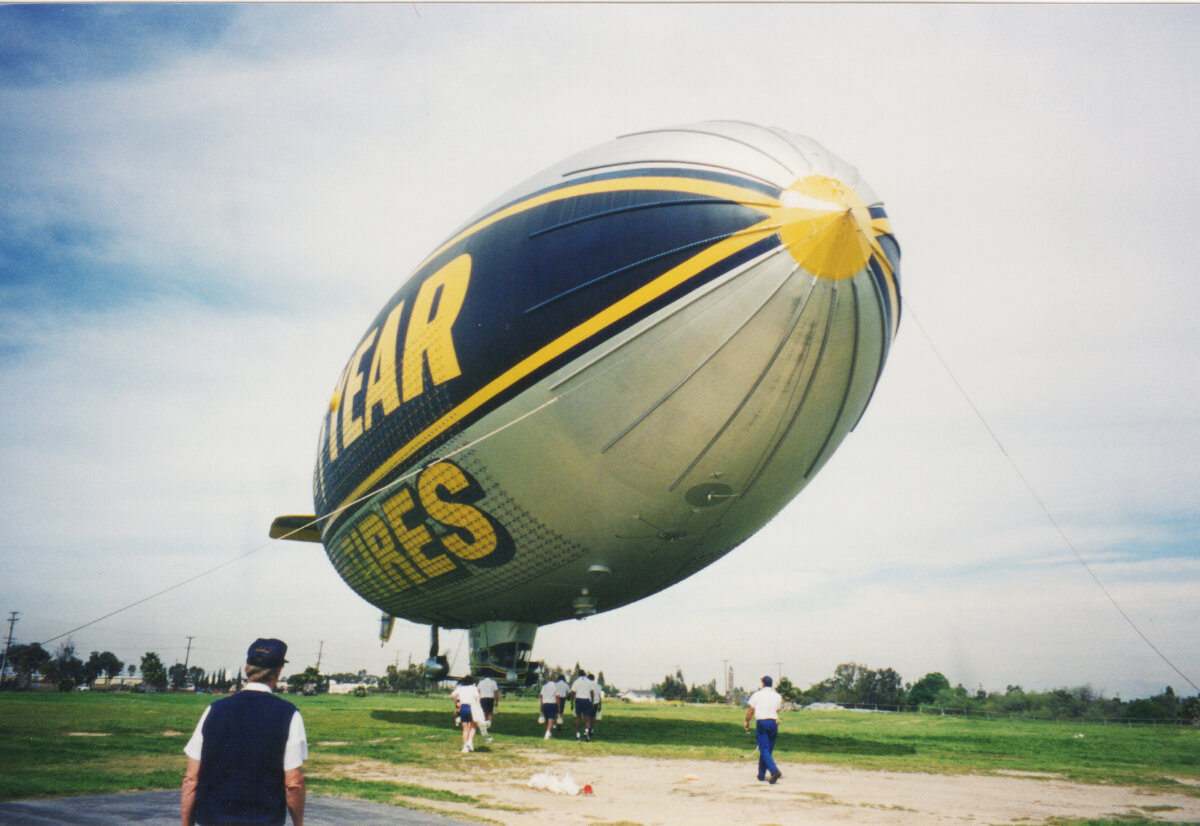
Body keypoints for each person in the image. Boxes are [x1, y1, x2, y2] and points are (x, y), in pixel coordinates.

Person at [181, 638, 307, 826]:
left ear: (247, 668)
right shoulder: (289, 715)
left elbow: (191, 779)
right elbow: (294, 784)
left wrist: (186, 824)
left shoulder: (213, 710)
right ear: (278, 672)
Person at [744, 675, 783, 784]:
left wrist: (747, 721)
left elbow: (751, 710)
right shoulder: (777, 696)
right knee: (767, 750)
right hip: (773, 722)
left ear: (763, 684)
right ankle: (761, 775)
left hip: (762, 722)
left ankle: (774, 771)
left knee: (764, 749)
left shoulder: (757, 695)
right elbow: (778, 709)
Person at [450, 675, 484, 753]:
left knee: (465, 728)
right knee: (473, 726)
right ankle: (470, 741)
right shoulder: (473, 688)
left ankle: (465, 747)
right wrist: (478, 706)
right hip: (472, 707)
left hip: (463, 707)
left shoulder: (460, 688)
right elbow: (478, 698)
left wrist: (457, 703)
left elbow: (452, 695)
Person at [570, 670, 595, 741]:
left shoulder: (576, 682)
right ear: (585, 674)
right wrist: (592, 701)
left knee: (578, 718)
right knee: (587, 718)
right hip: (586, 700)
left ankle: (578, 736)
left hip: (578, 700)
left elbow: (573, 693)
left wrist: (571, 702)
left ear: (578, 675)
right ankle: (587, 734)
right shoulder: (589, 682)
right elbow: (592, 692)